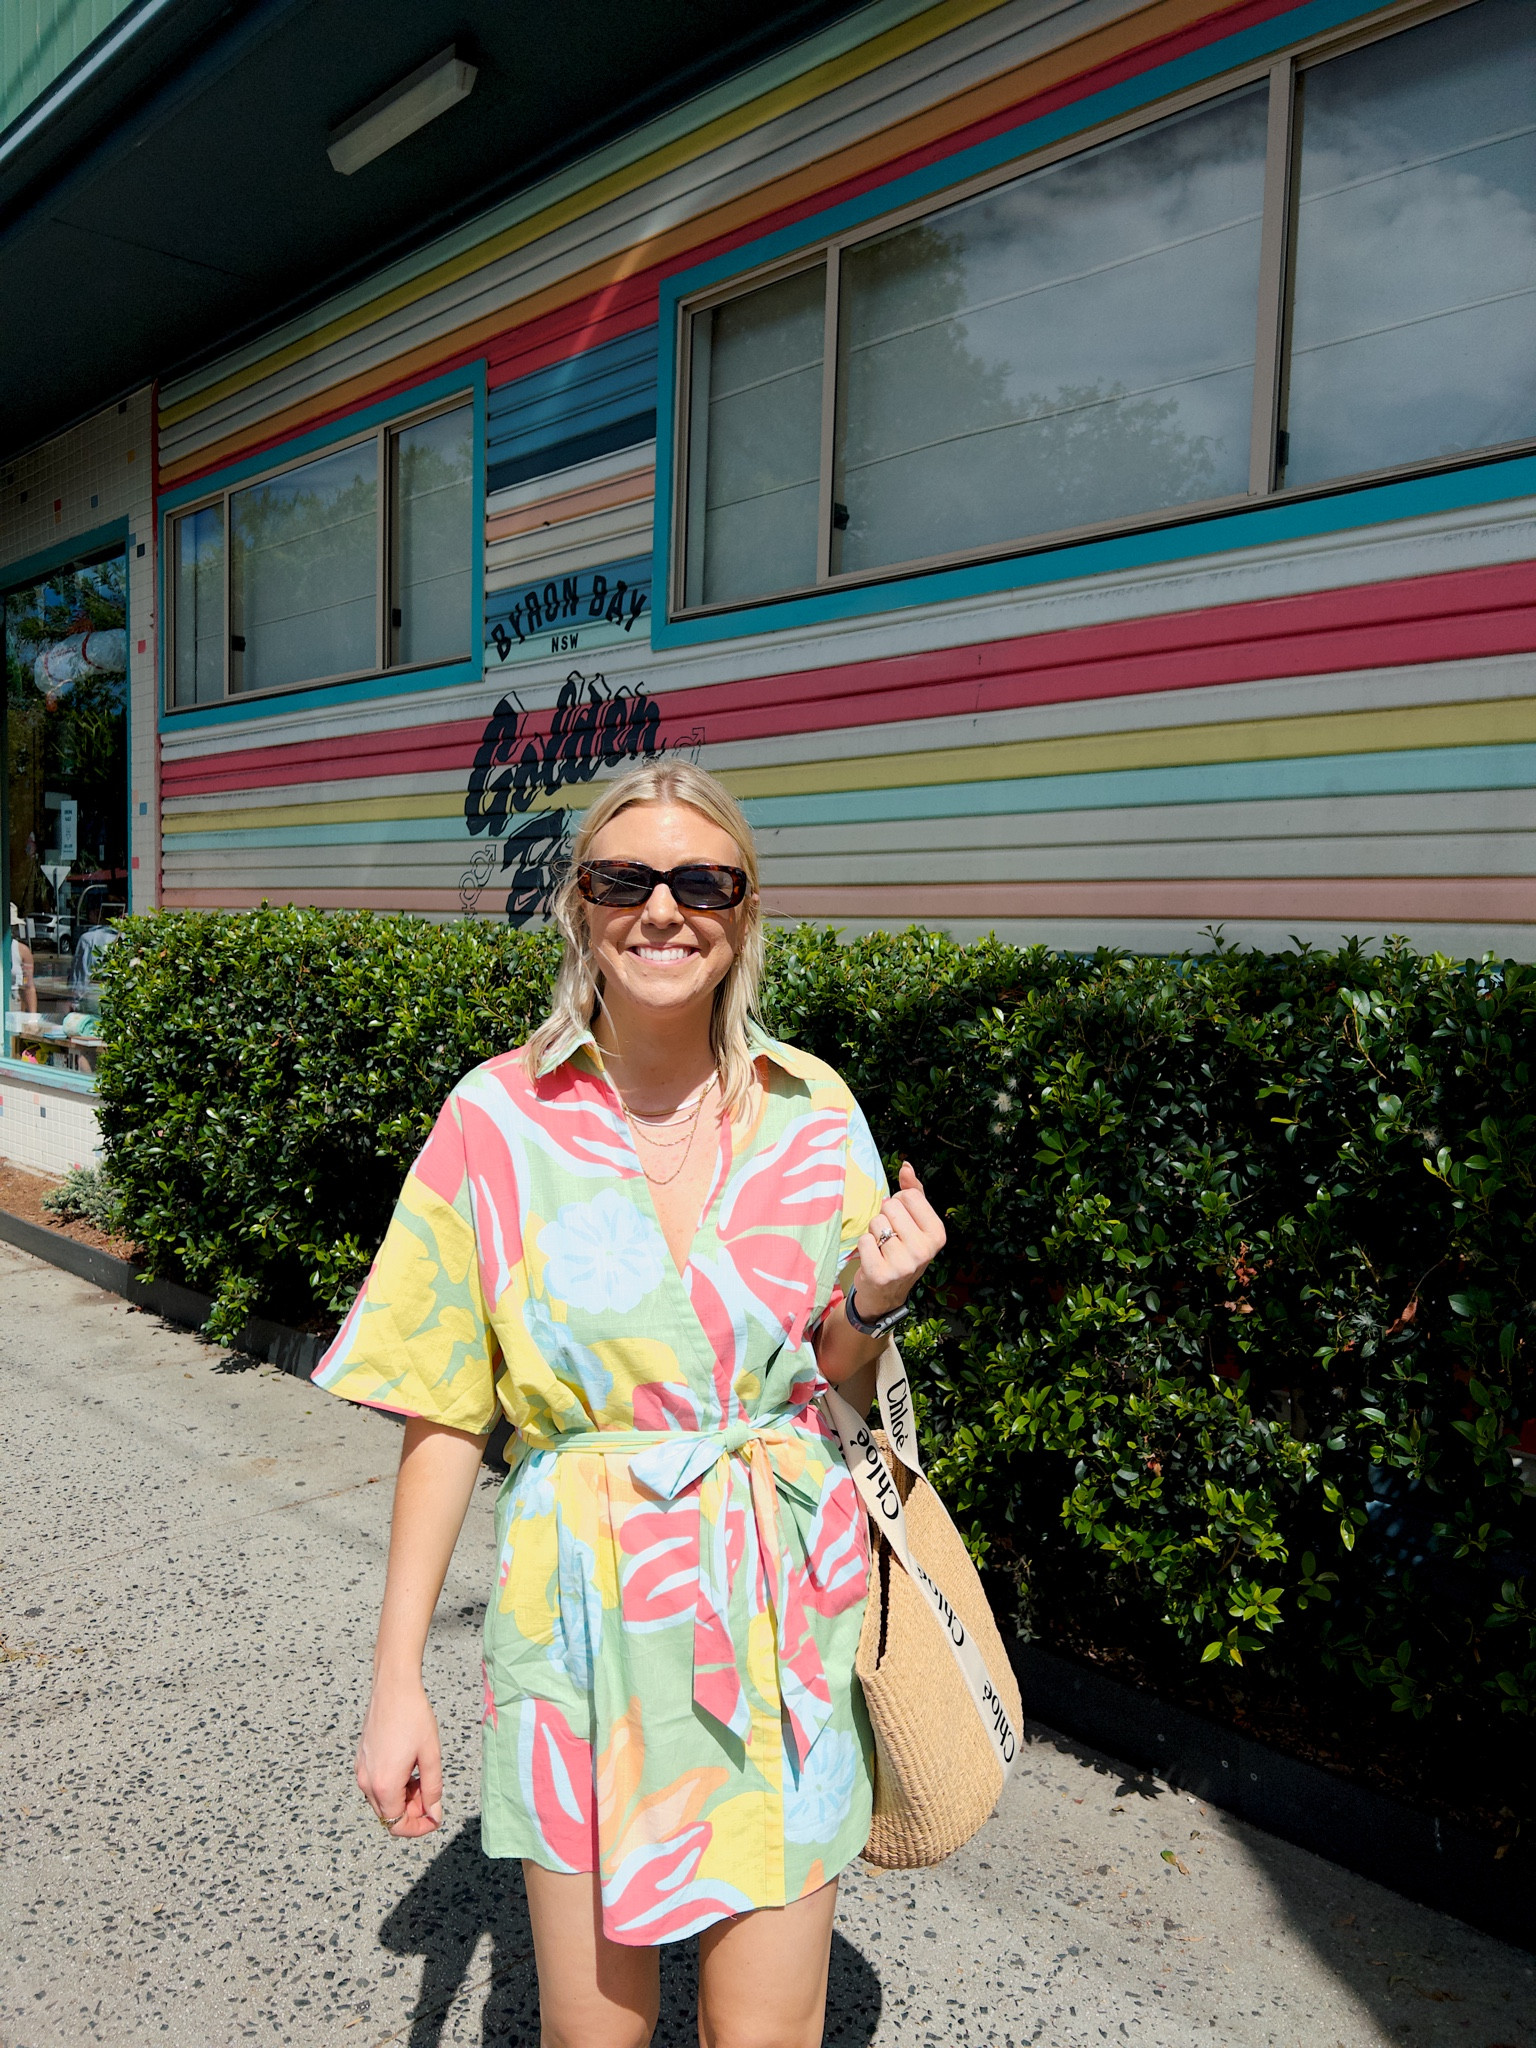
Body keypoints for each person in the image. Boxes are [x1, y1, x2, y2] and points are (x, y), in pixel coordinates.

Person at [312, 759, 946, 2048]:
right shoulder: (494, 1120)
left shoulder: (816, 1111)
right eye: (625, 878)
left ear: (743, 910)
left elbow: (838, 1383)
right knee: (591, 2038)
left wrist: (871, 1306)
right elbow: (445, 1410)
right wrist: (397, 1678)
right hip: (580, 1612)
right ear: (580, 906)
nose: (665, 909)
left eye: (703, 880)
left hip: (777, 1608)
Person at [8, 904, 37, 1014]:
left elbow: (29, 987)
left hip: (15, 1008)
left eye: (12, 926)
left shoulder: (22, 951)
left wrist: (32, 1019)